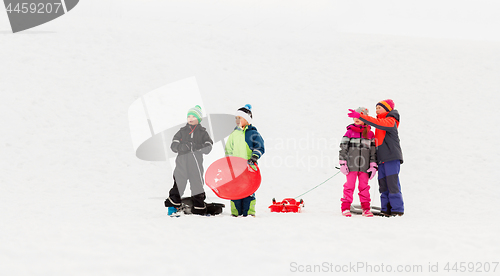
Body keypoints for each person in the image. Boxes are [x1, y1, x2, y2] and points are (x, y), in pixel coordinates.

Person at [348, 99, 404, 216]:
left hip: (391, 157)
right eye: (376, 108)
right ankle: (386, 209)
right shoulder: (379, 122)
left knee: (392, 183)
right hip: (382, 159)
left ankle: (397, 209)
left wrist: (361, 116)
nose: (377, 109)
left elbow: (377, 123)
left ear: (388, 109)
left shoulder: (391, 120)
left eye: (379, 107)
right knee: (383, 184)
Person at [164, 105, 213, 216]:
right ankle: (172, 207)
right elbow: (173, 146)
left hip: (195, 163)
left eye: (193, 116)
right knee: (179, 183)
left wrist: (196, 147)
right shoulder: (182, 131)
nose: (190, 118)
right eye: (189, 116)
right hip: (182, 162)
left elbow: (208, 147)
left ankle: (199, 208)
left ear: (199, 119)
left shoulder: (203, 133)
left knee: (197, 184)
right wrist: (182, 147)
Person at [225, 104, 265, 217]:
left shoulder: (253, 133)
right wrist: (228, 162)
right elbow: (228, 149)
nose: (237, 120)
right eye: (236, 118)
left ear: (247, 120)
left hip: (249, 167)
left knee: (248, 190)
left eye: (240, 118)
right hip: (236, 168)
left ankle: (249, 212)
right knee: (235, 190)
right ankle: (236, 212)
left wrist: (254, 157)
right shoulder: (233, 134)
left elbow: (260, 147)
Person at [339, 107, 378, 217]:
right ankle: (345, 207)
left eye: (359, 116)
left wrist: (373, 165)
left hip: (365, 167)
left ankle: (366, 209)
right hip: (352, 165)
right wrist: (343, 162)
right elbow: (343, 147)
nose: (356, 119)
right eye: (355, 116)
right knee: (349, 186)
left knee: (364, 187)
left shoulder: (370, 134)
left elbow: (373, 151)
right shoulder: (349, 132)